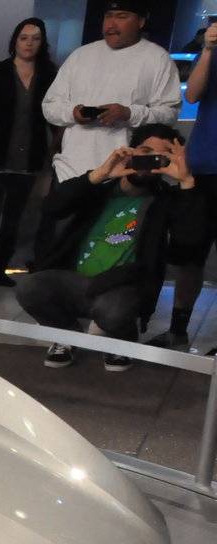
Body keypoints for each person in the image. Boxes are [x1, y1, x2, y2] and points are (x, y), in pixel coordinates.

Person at [17, 126, 202, 371]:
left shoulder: (165, 201)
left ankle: (122, 339)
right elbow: (53, 207)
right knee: (29, 287)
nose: (147, 162)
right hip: (75, 279)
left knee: (112, 311)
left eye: (159, 157)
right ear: (131, 150)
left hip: (121, 286)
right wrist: (99, 174)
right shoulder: (100, 189)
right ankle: (67, 335)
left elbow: (190, 243)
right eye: (144, 152)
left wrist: (187, 182)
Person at [41, 2, 180, 187]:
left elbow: (169, 114)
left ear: (140, 21)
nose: (111, 24)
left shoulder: (157, 58)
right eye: (108, 16)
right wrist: (73, 113)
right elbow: (49, 105)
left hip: (123, 172)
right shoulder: (81, 55)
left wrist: (129, 113)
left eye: (121, 16)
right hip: (69, 169)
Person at [0, 19, 57, 289]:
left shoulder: (48, 74)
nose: (29, 43)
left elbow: (53, 118)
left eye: (35, 38)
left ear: (42, 43)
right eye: (24, 37)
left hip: (28, 155)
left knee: (13, 219)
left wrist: (52, 153)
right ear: (14, 41)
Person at [149, 18, 217, 351]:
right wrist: (207, 48)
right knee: (190, 254)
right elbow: (193, 92)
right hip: (203, 168)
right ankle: (177, 328)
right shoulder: (214, 51)